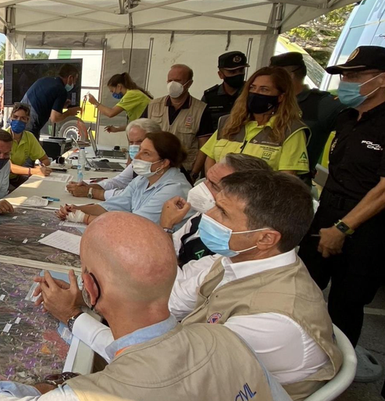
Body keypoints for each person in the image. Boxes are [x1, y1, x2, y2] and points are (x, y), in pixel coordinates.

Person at [53, 170, 342, 400]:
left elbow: (160, 365)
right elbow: (168, 303)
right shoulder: (235, 261)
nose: (206, 217)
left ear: (265, 239)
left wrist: (74, 316)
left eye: (223, 213)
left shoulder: (272, 320)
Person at [0, 213, 290, 401]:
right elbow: (145, 351)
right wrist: (73, 316)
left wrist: (47, 389)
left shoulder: (95, 394)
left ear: (90, 289)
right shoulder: (226, 338)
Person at [298, 46, 385, 351]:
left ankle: (338, 366)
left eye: (356, 75)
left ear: (382, 79)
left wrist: (344, 228)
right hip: (327, 212)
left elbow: (383, 190)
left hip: (367, 227)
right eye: (344, 74)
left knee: (346, 303)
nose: (346, 81)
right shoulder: (346, 117)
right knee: (303, 285)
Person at [56, 132, 193, 228]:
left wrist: (83, 218)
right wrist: (76, 209)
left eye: (146, 153)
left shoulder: (174, 189)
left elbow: (133, 224)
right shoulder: (143, 179)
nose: (137, 157)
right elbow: (113, 206)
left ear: (164, 163)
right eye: (139, 150)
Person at [159, 153, 271, 266]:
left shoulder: (233, 242)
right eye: (206, 179)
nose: (202, 187)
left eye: (213, 185)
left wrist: (166, 226)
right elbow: (174, 246)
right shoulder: (201, 216)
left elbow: (171, 276)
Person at [201, 66, 310, 175]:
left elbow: (287, 176)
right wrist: (215, 185)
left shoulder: (290, 130)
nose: (255, 93)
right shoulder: (228, 122)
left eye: (264, 89)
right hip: (218, 189)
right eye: (252, 87)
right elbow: (210, 157)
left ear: (281, 97)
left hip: (259, 191)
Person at [269, 52, 346, 181]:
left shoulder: (321, 105)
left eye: (273, 76)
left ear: (289, 76)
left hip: (294, 184)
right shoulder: (270, 101)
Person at [141, 64, 213, 177]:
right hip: (153, 168)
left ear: (189, 83)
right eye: (170, 80)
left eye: (178, 81)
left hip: (183, 171)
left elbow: (204, 147)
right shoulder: (153, 106)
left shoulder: (201, 110)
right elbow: (139, 134)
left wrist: (194, 173)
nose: (172, 84)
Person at [65, 118, 161, 200]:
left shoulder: (159, 169)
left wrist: (90, 192)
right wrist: (88, 186)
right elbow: (118, 182)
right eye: (131, 142)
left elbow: (129, 196)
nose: (134, 147)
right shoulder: (138, 163)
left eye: (139, 141)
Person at [21, 64, 84, 139]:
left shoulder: (45, 80)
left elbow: (43, 101)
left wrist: (60, 105)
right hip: (30, 124)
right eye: (75, 80)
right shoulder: (61, 90)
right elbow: (54, 118)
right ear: (70, 78)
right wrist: (69, 112)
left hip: (19, 118)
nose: (75, 83)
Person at [86, 73, 152, 131]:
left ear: (119, 86)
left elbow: (110, 113)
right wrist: (116, 129)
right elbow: (133, 124)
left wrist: (96, 103)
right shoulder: (132, 94)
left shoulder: (131, 94)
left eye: (112, 91)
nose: (113, 93)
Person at [7, 103, 52, 187]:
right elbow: (10, 167)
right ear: (11, 118)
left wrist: (40, 167)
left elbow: (45, 159)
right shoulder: (4, 136)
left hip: (16, 178)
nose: (18, 120)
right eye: (15, 117)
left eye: (22, 118)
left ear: (27, 120)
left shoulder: (29, 137)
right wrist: (33, 171)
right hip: (2, 179)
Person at [202, 50, 249, 129]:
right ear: (221, 74)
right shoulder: (210, 97)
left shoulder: (251, 94)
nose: (238, 74)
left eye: (241, 70)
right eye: (232, 72)